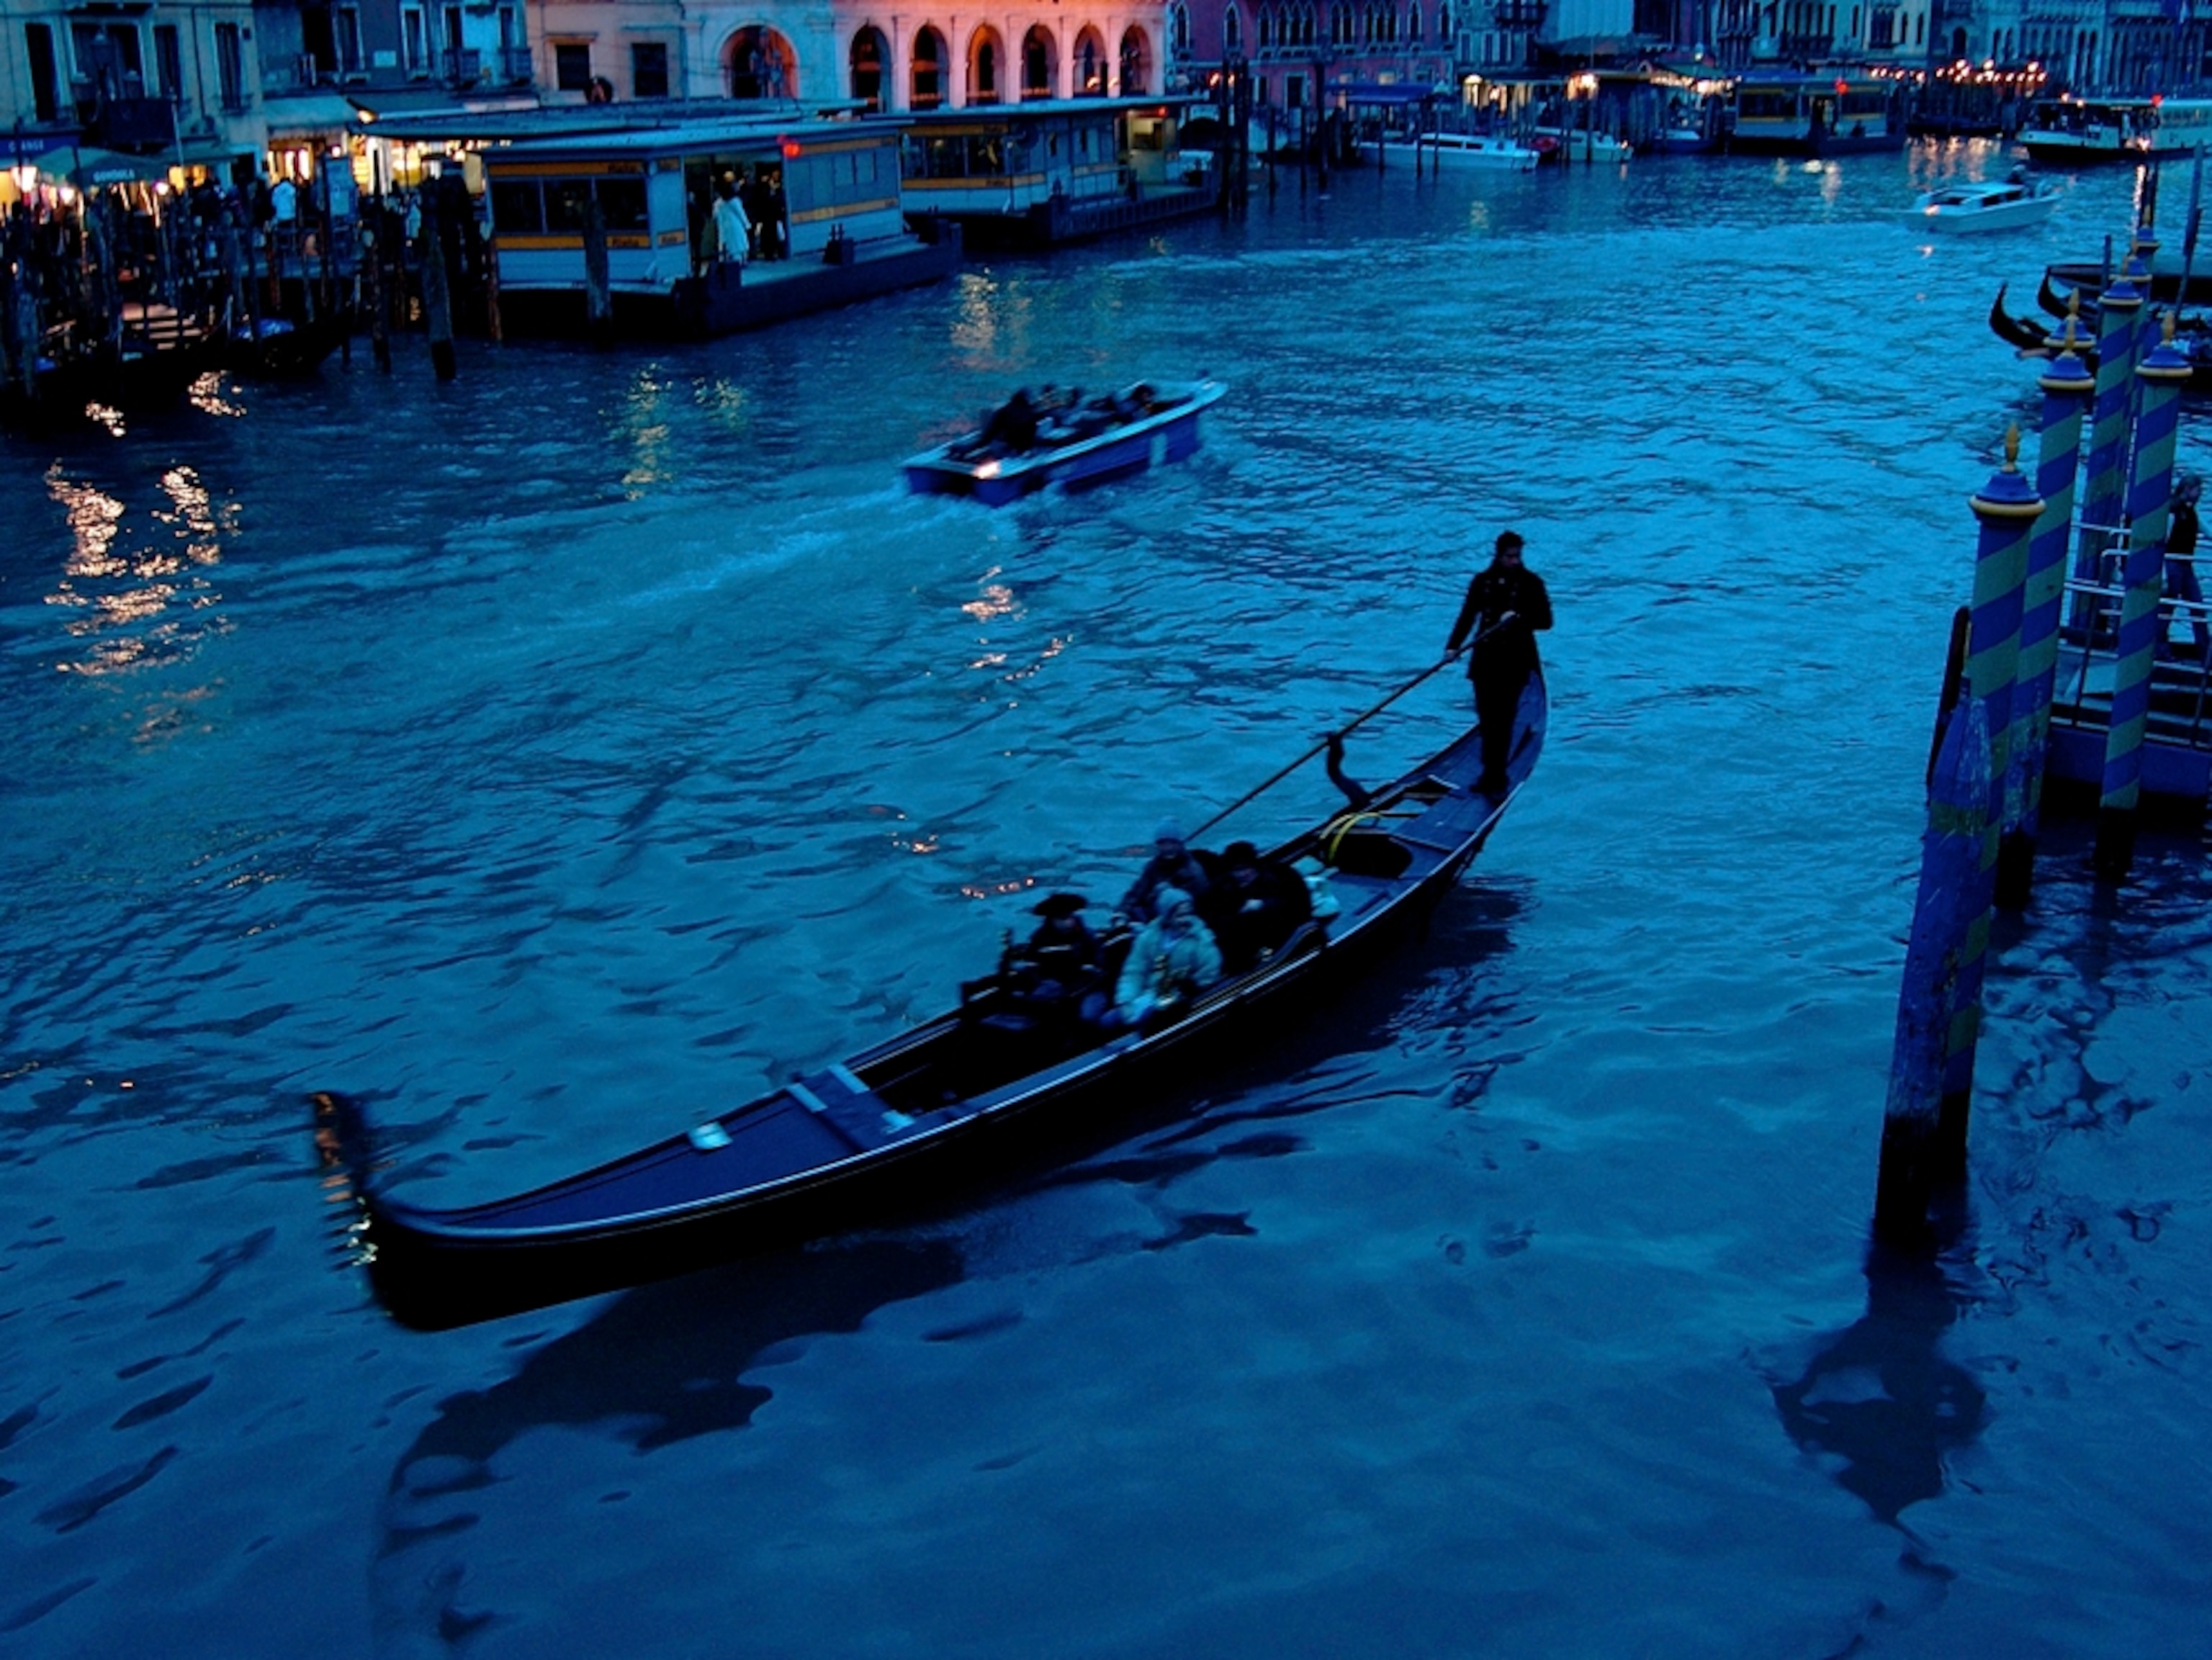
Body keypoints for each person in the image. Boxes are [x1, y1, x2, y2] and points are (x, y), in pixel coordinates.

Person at [1445, 528, 1553, 796]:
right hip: (1485, 662)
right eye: (1510, 556)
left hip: (1515, 663)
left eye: (1518, 556)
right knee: (1487, 720)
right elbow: (1468, 615)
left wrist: (1518, 617)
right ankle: (1488, 772)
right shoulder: (1482, 582)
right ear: (1499, 555)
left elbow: (1546, 621)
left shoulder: (1532, 583)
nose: (1515, 561)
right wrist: (1453, 646)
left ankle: (1498, 777)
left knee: (1504, 721)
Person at [1112, 888, 1223, 1029]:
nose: (1186, 920)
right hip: (1147, 994)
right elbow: (1134, 971)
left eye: (1189, 914)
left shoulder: (1201, 941)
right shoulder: (1148, 937)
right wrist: (1126, 1001)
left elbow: (1209, 973)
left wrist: (1184, 989)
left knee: (1147, 1020)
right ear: (1167, 917)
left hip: (1174, 1000)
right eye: (1180, 916)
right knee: (1109, 1021)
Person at [1003, 891, 1108, 1032]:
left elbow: (1100, 966)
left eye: (1070, 917)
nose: (1069, 922)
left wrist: (1089, 970)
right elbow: (1033, 967)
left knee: (1088, 1017)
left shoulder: (1087, 936)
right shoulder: (1039, 939)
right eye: (1063, 918)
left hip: (1089, 989)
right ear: (1052, 919)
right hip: (1056, 990)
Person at [1201, 841, 1313, 971]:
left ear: (1255, 867)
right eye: (1235, 870)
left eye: (1245, 868)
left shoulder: (1278, 879)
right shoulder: (1223, 891)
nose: (1241, 875)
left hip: (1285, 939)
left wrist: (1263, 905)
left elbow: (1294, 904)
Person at [1118, 820, 1216, 923]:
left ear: (1180, 844)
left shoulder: (1193, 872)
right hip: (1152, 917)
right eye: (1163, 843)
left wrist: (1161, 893)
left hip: (1180, 920)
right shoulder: (1153, 866)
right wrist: (1122, 913)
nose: (1168, 848)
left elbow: (1190, 906)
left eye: (1173, 843)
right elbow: (1136, 893)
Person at [2165, 474, 2209, 663]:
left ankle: (2206, 652)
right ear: (2187, 489)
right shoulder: (2173, 511)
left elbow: (2205, 529)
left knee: (2197, 607)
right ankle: (2160, 649)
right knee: (2167, 607)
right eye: (2197, 489)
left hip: (2185, 564)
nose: (2200, 494)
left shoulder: (2191, 513)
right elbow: (2164, 540)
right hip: (2173, 563)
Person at [711, 175, 750, 274]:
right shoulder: (734, 201)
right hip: (736, 226)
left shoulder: (718, 203)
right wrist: (747, 224)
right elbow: (741, 214)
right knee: (739, 245)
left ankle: (726, 263)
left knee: (727, 246)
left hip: (724, 227)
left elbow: (715, 216)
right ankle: (740, 262)